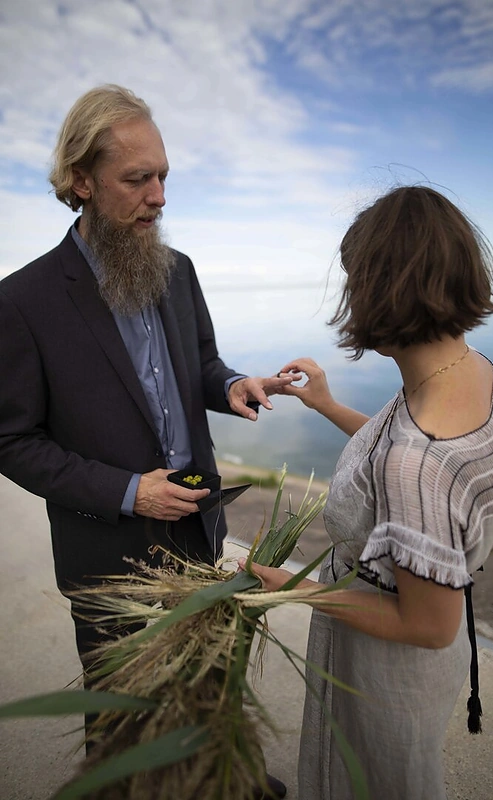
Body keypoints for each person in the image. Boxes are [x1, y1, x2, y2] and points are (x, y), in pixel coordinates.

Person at [0, 84, 290, 799]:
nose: (158, 197)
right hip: (108, 562)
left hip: (200, 537)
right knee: (124, 737)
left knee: (207, 699)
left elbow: (202, 362)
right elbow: (12, 441)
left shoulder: (178, 269)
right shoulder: (21, 301)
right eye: (137, 180)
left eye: (162, 177)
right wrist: (130, 492)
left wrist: (228, 386)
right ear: (81, 181)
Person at [241, 186, 493, 799]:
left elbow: (425, 625)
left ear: (383, 287)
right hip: (426, 650)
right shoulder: (478, 373)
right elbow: (404, 459)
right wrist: (328, 404)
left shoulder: (418, 462)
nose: (350, 296)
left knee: (377, 784)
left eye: (353, 280)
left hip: (386, 665)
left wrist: (293, 589)